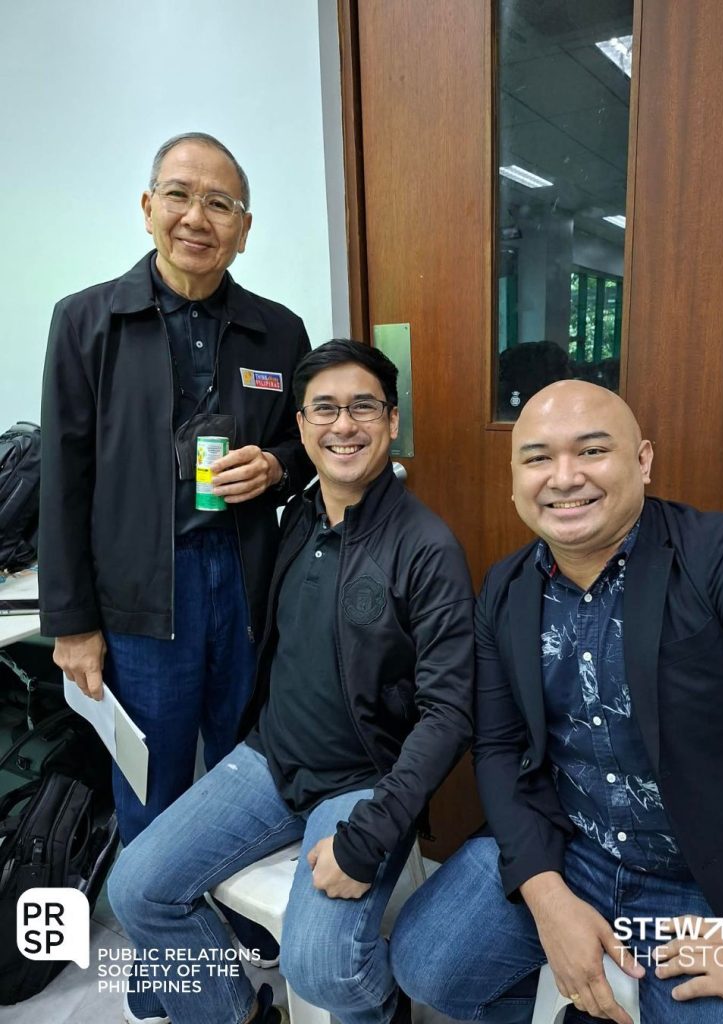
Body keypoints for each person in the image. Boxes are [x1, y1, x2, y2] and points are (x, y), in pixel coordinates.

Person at [390, 379, 723, 1024]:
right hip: (574, 852)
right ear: (514, 481)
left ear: (643, 461)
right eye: (538, 458)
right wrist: (545, 894)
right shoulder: (505, 590)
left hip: (711, 882)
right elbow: (500, 747)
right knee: (426, 959)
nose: (565, 477)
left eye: (592, 451)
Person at [107, 339, 475, 1024]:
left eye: (363, 407)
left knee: (322, 967)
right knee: (136, 889)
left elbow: (451, 713)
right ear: (301, 427)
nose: (344, 425)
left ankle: (380, 1002)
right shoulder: (298, 516)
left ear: (392, 420)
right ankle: (238, 1015)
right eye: (324, 409)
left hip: (362, 781)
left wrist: (368, 835)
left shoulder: (427, 547)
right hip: (269, 760)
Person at [39, 132, 313, 848]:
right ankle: (158, 915)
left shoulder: (279, 332)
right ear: (147, 207)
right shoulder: (87, 321)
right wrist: (72, 624)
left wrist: (278, 467)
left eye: (220, 204)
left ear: (244, 229)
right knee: (150, 780)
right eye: (179, 195)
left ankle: (234, 906)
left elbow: (308, 442)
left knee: (249, 770)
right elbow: (62, 481)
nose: (197, 218)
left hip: (248, 581)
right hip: (140, 589)